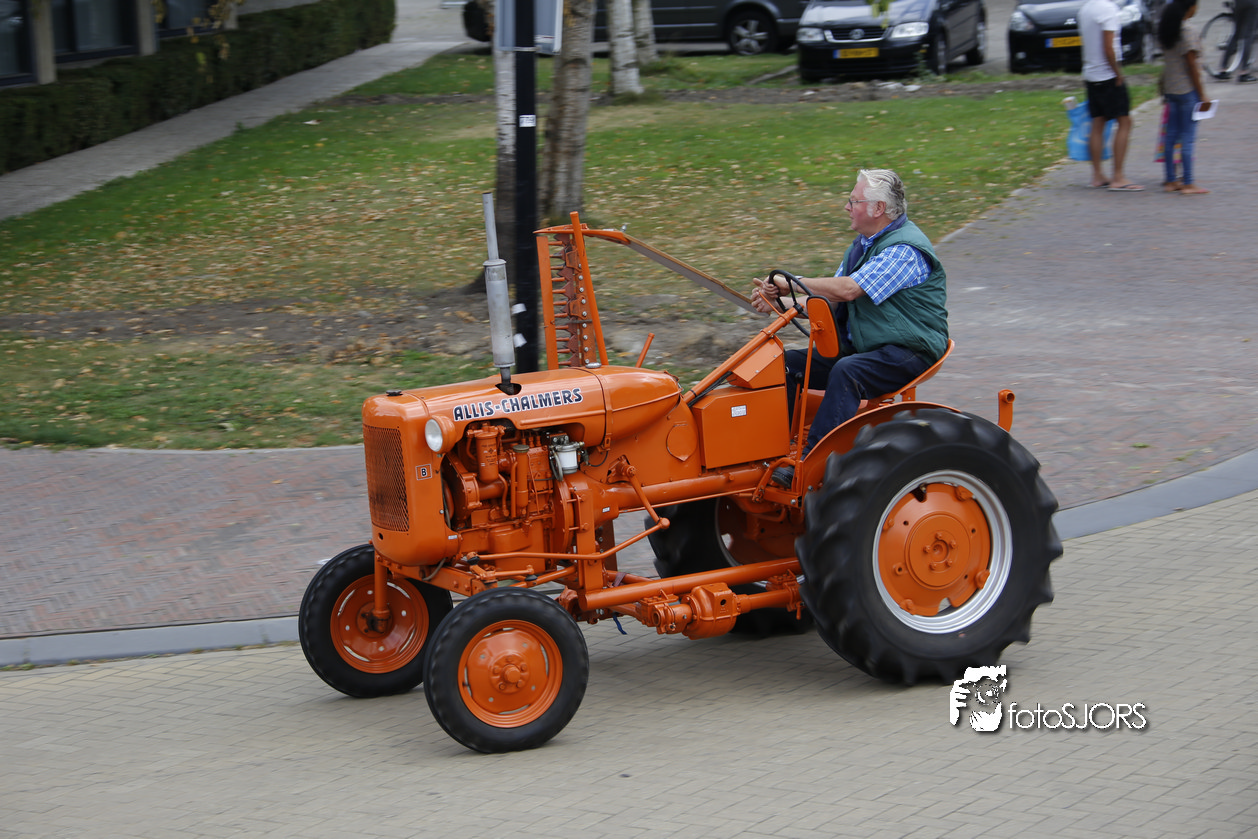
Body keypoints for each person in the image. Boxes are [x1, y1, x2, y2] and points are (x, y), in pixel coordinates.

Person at [750, 169, 949, 487]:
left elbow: (849, 290)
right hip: (869, 347)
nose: (847, 207)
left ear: (878, 208)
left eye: (853, 201)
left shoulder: (904, 250)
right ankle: (769, 453)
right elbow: (829, 303)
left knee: (849, 371)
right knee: (785, 364)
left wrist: (793, 283)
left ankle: (811, 463)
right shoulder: (862, 247)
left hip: (910, 350)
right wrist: (778, 303)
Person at [1079, 0, 1144, 191]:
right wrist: (1117, 72)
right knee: (1125, 121)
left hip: (1091, 74)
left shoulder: (1085, 9)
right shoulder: (1108, 9)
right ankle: (1118, 176)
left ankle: (1097, 175)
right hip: (1107, 74)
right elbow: (1109, 47)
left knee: (1097, 122)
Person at [1159, 0, 1211, 194]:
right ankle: (1188, 182)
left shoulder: (1167, 29)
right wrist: (1202, 94)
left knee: (1171, 136)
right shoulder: (1188, 30)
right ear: (1190, 7)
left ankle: (1170, 180)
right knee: (1188, 137)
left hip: (1171, 89)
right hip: (1187, 90)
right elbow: (1191, 66)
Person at [1215, 0, 1258, 82]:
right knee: (1248, 36)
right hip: (1252, 3)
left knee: (1237, 34)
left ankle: (1223, 69)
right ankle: (1244, 72)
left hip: (1238, 3)